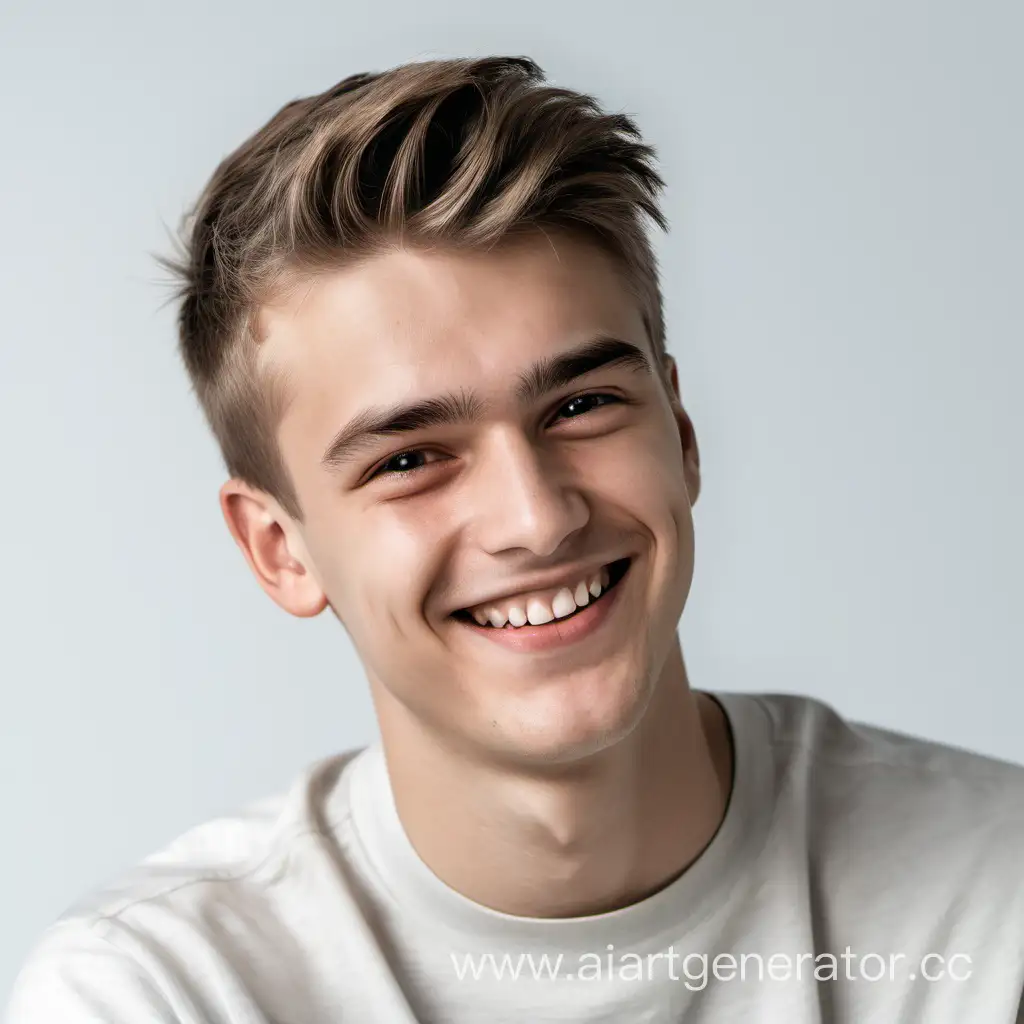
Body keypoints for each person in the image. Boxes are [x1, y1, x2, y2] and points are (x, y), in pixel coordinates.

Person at [6, 55, 1024, 1024]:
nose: (536, 517)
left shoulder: (993, 908)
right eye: (408, 459)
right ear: (279, 547)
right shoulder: (161, 995)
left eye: (581, 404)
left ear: (677, 433)